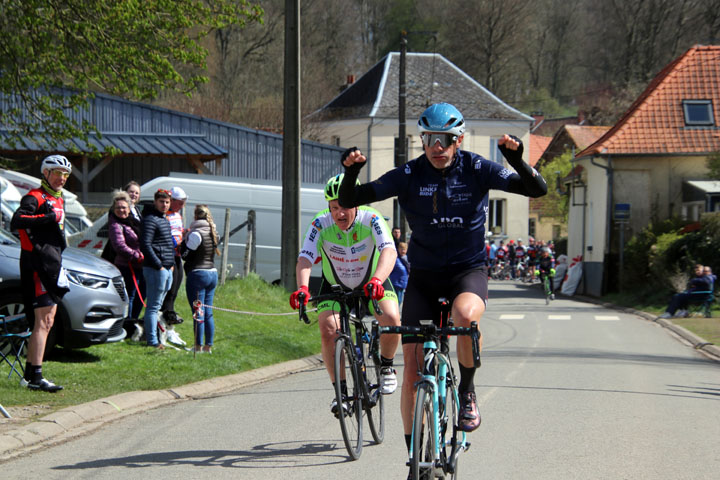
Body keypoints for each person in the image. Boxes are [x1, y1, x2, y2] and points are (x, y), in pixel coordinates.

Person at [338, 102, 547, 461]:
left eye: (446, 140)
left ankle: (466, 392)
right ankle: (413, 459)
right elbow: (351, 198)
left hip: (467, 272)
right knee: (411, 373)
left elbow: (536, 189)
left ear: (459, 140)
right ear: (423, 139)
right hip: (423, 278)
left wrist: (516, 161)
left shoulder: (477, 168)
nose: (439, 147)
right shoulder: (408, 174)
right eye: (432, 139)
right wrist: (351, 173)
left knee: (464, 318)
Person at [290, 174, 402, 415]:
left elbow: (389, 251)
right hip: (336, 286)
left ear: (357, 204)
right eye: (334, 208)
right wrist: (302, 288)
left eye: (345, 207)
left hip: (373, 282)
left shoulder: (372, 218)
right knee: (328, 328)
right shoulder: (320, 224)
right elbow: (305, 258)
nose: (340, 213)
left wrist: (377, 280)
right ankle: (340, 392)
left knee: (392, 319)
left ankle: (387, 366)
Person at [11, 154, 74, 391]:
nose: (62, 178)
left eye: (66, 174)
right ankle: (35, 378)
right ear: (45, 173)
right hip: (37, 264)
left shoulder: (59, 199)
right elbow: (16, 221)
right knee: (44, 320)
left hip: (53, 263)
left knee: (48, 320)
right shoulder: (35, 197)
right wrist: (48, 217)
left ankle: (31, 374)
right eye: (58, 173)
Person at [140, 189, 176, 349]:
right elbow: (145, 245)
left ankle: (156, 337)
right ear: (155, 202)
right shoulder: (150, 219)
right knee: (153, 306)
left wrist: (170, 265)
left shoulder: (164, 219)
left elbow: (167, 244)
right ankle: (152, 341)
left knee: (158, 306)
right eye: (161, 202)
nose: (164, 205)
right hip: (156, 268)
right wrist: (159, 265)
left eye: (167, 202)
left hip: (167, 267)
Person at [181, 205, 220, 353]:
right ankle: (208, 346)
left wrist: (184, 240)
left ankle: (197, 346)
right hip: (212, 273)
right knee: (208, 312)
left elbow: (185, 255)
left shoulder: (196, 234)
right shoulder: (213, 231)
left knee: (198, 312)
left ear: (195, 216)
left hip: (198, 274)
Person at [107, 191, 144, 335]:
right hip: (126, 266)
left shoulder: (134, 222)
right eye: (118, 208)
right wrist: (137, 255)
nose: (121, 210)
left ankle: (133, 323)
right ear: (114, 209)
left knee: (138, 296)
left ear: (129, 208)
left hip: (139, 265)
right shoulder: (115, 225)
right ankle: (125, 327)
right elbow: (119, 246)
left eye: (124, 207)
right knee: (129, 297)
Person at [160, 186, 187, 326]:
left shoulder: (178, 215)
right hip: (168, 255)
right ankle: (164, 321)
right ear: (172, 201)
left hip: (177, 255)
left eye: (184, 202)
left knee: (175, 289)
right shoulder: (166, 214)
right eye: (180, 202)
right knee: (169, 291)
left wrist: (186, 233)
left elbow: (178, 231)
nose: (182, 205)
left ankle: (169, 320)